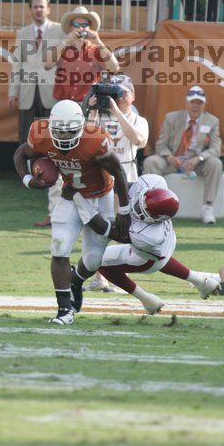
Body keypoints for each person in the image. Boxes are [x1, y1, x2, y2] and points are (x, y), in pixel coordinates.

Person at [13, 100, 130, 325]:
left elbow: (119, 173)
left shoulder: (96, 139)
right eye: (60, 132)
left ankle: (75, 279)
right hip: (70, 195)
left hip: (99, 196)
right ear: (51, 127)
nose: (65, 138)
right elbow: (20, 154)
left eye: (70, 133)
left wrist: (123, 210)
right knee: (59, 247)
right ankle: (64, 310)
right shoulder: (40, 132)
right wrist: (28, 181)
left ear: (81, 126)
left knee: (94, 260)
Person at [65, 174, 222, 314]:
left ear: (155, 219)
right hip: (167, 243)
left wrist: (80, 200)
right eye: (141, 202)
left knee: (99, 261)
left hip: (146, 259)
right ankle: (202, 282)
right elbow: (123, 186)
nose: (137, 207)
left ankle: (146, 299)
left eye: (142, 211)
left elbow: (106, 230)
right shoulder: (154, 182)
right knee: (162, 258)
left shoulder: (146, 235)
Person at [34, 6, 120, 228]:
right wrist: (67, 42)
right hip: (62, 110)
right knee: (57, 158)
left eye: (85, 25)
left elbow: (114, 67)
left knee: (91, 161)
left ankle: (94, 215)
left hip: (88, 112)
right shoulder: (62, 47)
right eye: (77, 25)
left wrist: (98, 40)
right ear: (70, 27)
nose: (81, 29)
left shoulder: (96, 49)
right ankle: (54, 214)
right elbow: (46, 63)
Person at [84, 74, 148, 292]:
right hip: (101, 179)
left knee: (125, 229)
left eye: (122, 93)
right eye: (115, 93)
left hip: (126, 178)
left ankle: (121, 276)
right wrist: (92, 111)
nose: (118, 97)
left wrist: (116, 112)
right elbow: (84, 140)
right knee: (99, 228)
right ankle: (99, 277)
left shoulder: (139, 120)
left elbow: (139, 140)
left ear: (132, 96)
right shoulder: (100, 118)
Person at [143, 85, 223, 224]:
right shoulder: (172, 118)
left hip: (196, 163)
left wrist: (199, 158)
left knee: (215, 163)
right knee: (150, 162)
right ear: (186, 103)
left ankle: (207, 207)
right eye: (193, 102)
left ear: (204, 105)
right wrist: (169, 157)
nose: (195, 106)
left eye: (199, 103)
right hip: (173, 160)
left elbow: (216, 148)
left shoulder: (212, 121)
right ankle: (153, 205)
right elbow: (160, 144)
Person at [8, 0, 64, 145]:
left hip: (51, 90)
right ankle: (26, 167)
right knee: (26, 133)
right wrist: (13, 93)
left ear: (49, 9)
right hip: (27, 90)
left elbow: (64, 62)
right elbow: (17, 64)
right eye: (35, 7)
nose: (38, 10)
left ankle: (49, 168)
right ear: (30, 10)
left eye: (42, 6)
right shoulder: (22, 33)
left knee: (51, 132)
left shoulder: (59, 30)